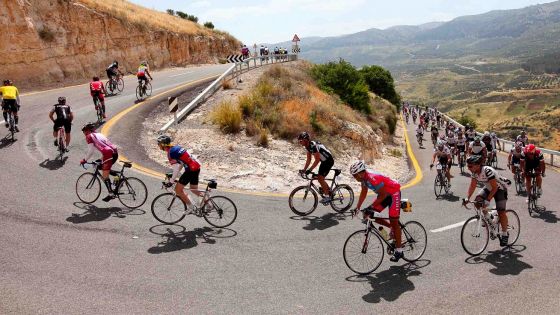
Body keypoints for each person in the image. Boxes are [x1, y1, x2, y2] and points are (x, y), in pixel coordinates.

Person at [350, 160, 403, 262]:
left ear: (361, 173)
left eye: (355, 175)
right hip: (384, 194)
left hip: (393, 193)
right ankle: (391, 231)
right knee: (370, 214)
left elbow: (383, 195)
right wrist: (357, 207)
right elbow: (364, 192)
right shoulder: (364, 179)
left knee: (394, 220)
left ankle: (399, 251)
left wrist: (370, 206)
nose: (354, 178)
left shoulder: (372, 178)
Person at [463, 155, 510, 247]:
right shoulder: (474, 172)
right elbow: (472, 186)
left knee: (501, 212)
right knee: (477, 202)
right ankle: (489, 220)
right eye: (467, 166)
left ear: (477, 165)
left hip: (500, 188)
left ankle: (504, 234)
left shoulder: (487, 170)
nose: (468, 168)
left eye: (470, 166)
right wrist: (467, 198)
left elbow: (495, 187)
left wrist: (488, 199)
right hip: (489, 187)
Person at [157, 135, 203, 209]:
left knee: (178, 190)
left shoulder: (170, 153)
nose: (158, 145)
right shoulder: (176, 148)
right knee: (194, 189)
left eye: (159, 144)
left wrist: (171, 181)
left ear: (163, 144)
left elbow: (176, 169)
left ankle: (191, 208)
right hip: (196, 167)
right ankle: (209, 203)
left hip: (191, 170)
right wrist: (173, 175)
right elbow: (181, 163)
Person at [80, 123, 119, 202]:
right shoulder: (99, 134)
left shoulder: (89, 136)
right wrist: (100, 159)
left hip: (108, 154)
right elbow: (105, 146)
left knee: (105, 176)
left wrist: (84, 160)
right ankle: (116, 177)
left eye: (84, 131)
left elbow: (91, 151)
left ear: (87, 131)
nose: (84, 134)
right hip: (114, 152)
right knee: (101, 167)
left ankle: (111, 193)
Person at [298, 132, 334, 203]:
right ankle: (329, 191)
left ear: (306, 140)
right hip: (323, 161)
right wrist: (304, 170)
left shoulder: (313, 146)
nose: (300, 142)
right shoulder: (307, 147)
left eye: (301, 141)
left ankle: (327, 196)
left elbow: (317, 160)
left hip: (328, 161)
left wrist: (310, 169)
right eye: (299, 141)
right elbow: (309, 160)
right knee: (316, 177)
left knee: (320, 178)